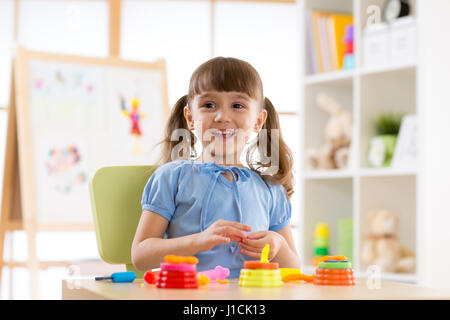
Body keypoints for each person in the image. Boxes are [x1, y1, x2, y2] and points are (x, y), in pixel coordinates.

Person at [131, 57, 301, 278]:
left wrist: (278, 245)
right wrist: (198, 241)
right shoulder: (173, 177)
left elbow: (293, 269)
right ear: (190, 118)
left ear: (258, 121)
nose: (222, 116)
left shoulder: (270, 188)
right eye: (209, 105)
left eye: (238, 106)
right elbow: (140, 255)